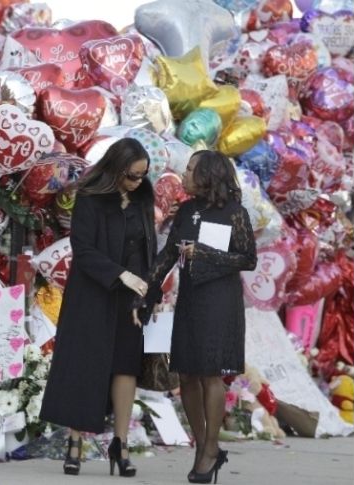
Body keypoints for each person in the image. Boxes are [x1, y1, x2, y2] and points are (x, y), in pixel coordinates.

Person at [134, 150, 257, 484]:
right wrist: (147, 289)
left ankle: (212, 447)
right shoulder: (187, 210)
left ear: (208, 175)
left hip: (220, 303)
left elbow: (248, 259)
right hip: (190, 300)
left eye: (190, 169)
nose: (184, 174)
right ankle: (203, 446)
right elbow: (168, 255)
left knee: (210, 375)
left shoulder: (235, 214)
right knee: (186, 374)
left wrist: (204, 252)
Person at [39, 138, 156, 477]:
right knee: (84, 364)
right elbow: (83, 249)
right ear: (117, 168)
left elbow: (148, 245)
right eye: (133, 175)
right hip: (92, 293)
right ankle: (74, 441)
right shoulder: (90, 196)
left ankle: (120, 446)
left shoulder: (142, 198)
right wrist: (121, 275)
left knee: (125, 366)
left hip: (130, 297)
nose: (138, 182)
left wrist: (149, 290)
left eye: (143, 175)